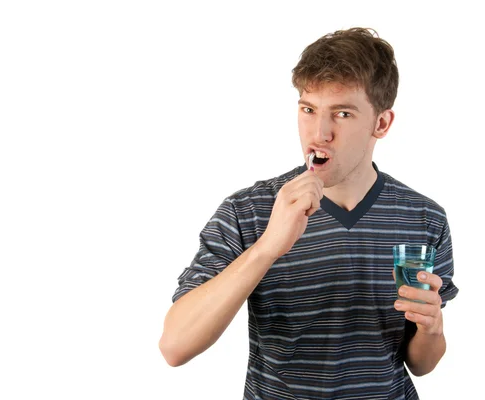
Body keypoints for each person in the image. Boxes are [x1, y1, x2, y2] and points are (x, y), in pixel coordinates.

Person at [159, 27, 458, 400]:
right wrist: (268, 246)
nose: (320, 133)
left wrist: (432, 330)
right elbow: (175, 346)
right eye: (308, 109)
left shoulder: (424, 218)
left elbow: (421, 363)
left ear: (381, 124)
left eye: (343, 113)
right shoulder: (249, 211)